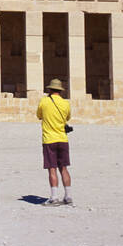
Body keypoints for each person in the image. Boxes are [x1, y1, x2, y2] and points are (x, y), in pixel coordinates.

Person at [38, 77, 73, 205]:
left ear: (50, 89)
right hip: (63, 139)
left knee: (52, 168)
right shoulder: (66, 103)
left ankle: (54, 197)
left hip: (49, 139)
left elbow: (39, 115)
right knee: (64, 168)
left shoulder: (44, 101)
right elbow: (67, 117)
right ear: (61, 91)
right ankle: (68, 196)